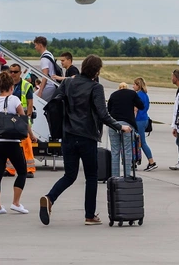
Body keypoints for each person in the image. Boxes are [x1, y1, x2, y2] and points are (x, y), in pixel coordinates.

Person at [39, 55, 131, 226]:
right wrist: (120, 127)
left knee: (69, 175)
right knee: (91, 176)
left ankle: (50, 198)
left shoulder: (68, 83)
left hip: (68, 136)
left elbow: (55, 103)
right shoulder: (96, 87)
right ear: (96, 71)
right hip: (87, 137)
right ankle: (89, 215)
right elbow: (103, 114)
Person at [0, 71, 35, 215]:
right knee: (22, 172)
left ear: (0, 87)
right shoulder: (14, 100)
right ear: (11, 87)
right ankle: (16, 203)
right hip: (12, 142)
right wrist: (31, 135)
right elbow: (24, 120)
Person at [107, 82, 144, 178]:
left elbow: (109, 110)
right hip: (127, 124)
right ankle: (127, 176)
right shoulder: (132, 94)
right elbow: (141, 106)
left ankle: (115, 177)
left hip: (113, 124)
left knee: (115, 151)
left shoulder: (113, 95)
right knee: (127, 150)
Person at [5, 63, 36, 178]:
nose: (13, 74)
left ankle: (30, 169)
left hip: (22, 119)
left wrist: (27, 117)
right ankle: (10, 169)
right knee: (9, 144)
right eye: (11, 71)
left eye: (15, 72)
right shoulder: (7, 85)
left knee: (26, 144)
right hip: (10, 119)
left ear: (20, 73)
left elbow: (30, 103)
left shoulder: (26, 86)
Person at [133, 78, 157, 171]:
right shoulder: (145, 95)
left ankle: (151, 162)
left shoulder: (137, 95)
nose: (133, 86)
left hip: (139, 120)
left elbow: (135, 109)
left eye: (134, 84)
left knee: (141, 142)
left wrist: (132, 120)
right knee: (139, 141)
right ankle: (136, 161)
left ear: (138, 85)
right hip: (145, 118)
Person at [33, 37, 59, 101]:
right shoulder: (49, 54)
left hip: (50, 85)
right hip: (53, 85)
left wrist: (40, 91)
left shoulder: (44, 59)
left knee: (33, 99)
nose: (35, 47)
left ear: (40, 45)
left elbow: (45, 75)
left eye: (35, 45)